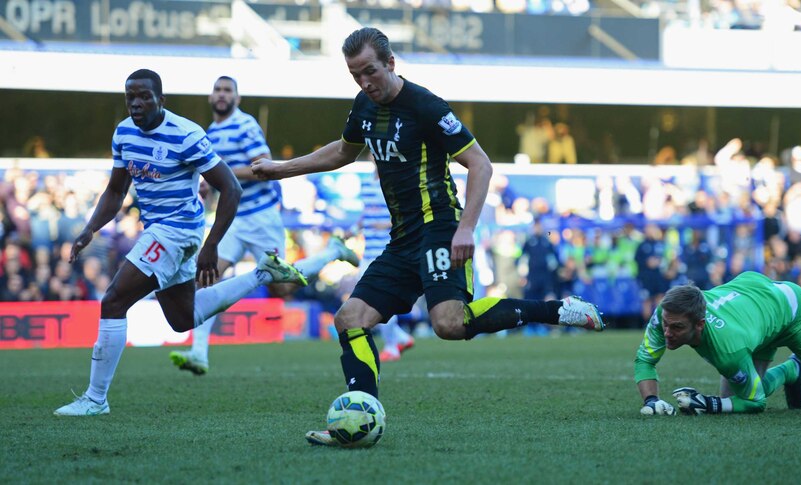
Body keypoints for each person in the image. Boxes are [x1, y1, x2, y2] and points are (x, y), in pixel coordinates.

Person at [250, 27, 604, 446]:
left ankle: (557, 311)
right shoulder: (364, 105)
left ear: (391, 64)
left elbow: (481, 165)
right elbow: (343, 151)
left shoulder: (426, 106)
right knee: (350, 319)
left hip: (440, 227)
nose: (365, 83)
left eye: (370, 72)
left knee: (449, 324)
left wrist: (467, 227)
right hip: (403, 239)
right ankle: (359, 419)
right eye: (355, 75)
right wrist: (280, 168)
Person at [53, 69, 307, 417]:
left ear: (162, 99)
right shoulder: (124, 133)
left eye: (145, 96)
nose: (137, 103)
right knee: (182, 318)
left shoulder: (186, 133)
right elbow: (115, 191)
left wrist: (211, 244)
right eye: (131, 97)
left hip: (178, 230)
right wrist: (90, 228)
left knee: (113, 301)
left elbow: (230, 187)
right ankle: (261, 275)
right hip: (158, 229)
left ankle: (96, 398)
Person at [168, 75, 358, 376]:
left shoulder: (245, 125)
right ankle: (199, 353)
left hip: (261, 216)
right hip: (233, 218)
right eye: (217, 89)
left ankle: (331, 251)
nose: (221, 94)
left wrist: (221, 175)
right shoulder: (211, 133)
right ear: (209, 97)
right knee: (206, 277)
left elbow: (263, 166)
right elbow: (215, 176)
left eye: (227, 90)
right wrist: (209, 185)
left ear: (237, 98)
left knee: (283, 286)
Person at [635, 271, 801, 416]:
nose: (667, 332)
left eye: (677, 328)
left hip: (791, 310)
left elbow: (755, 402)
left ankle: (792, 368)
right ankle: (791, 370)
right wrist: (652, 401)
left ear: (700, 325)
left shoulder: (728, 348)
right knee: (731, 402)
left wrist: (707, 403)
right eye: (666, 324)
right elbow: (644, 360)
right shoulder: (666, 314)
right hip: (752, 308)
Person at [359, 168, 415, 362]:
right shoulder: (365, 183)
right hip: (368, 249)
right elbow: (366, 212)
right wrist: (357, 226)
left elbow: (404, 215)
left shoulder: (395, 180)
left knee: (379, 299)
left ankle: (392, 346)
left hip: (385, 249)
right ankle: (400, 338)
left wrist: (383, 224)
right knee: (369, 298)